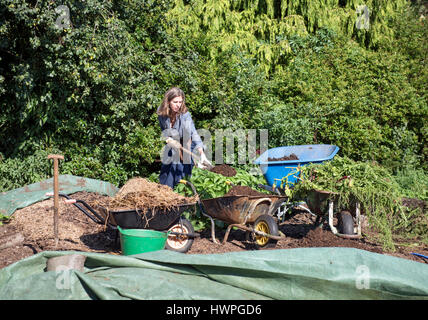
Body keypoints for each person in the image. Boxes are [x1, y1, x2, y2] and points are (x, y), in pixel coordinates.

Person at [157, 87, 211, 189]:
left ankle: (181, 196)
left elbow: (193, 133)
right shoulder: (162, 113)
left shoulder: (185, 115)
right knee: (166, 169)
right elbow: (163, 130)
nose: (178, 105)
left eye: (180, 102)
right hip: (172, 143)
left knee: (180, 170)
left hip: (187, 143)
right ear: (168, 102)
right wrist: (168, 139)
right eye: (175, 102)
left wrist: (201, 153)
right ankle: (164, 193)